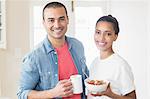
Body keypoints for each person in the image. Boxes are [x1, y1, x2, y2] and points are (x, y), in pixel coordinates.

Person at [17, 2, 89, 99]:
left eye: (61, 19)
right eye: (51, 20)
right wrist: (52, 93)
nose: (57, 25)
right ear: (44, 23)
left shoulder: (77, 46)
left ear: (68, 20)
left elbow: (86, 76)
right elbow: (22, 94)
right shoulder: (34, 57)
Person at [87, 15, 136, 99]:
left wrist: (110, 94)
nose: (101, 38)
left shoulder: (120, 65)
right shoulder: (94, 63)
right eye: (98, 32)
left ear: (115, 36)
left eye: (108, 34)